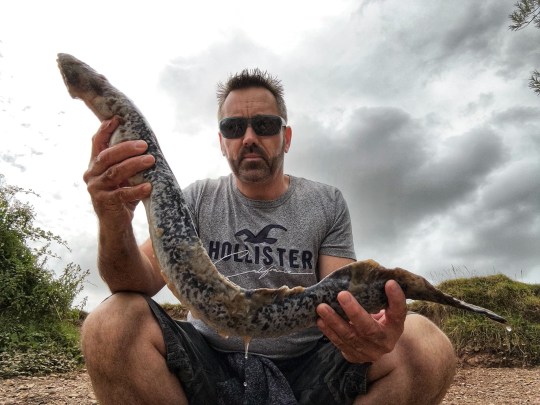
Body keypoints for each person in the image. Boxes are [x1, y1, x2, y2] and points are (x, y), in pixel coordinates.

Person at [81, 69, 456, 404]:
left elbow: (340, 295)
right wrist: (111, 217)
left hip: (308, 372)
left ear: (286, 136)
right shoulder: (195, 199)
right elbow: (132, 282)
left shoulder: (327, 202)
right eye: (233, 128)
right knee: (110, 323)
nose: (248, 138)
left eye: (264, 125)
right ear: (221, 141)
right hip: (207, 364)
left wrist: (365, 333)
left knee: (424, 343)